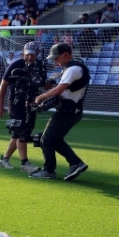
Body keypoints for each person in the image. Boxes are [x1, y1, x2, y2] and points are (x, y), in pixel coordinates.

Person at [29, 43, 90, 180]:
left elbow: (59, 90)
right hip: (72, 111)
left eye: (57, 58)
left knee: (46, 140)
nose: (55, 61)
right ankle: (76, 163)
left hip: (68, 111)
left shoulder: (73, 69)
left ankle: (49, 170)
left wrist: (41, 97)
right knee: (55, 139)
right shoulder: (72, 68)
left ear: (65, 55)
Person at [0, 42, 47, 173]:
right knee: (20, 131)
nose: (29, 57)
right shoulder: (16, 64)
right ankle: (25, 163)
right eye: (27, 54)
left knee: (20, 133)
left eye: (32, 55)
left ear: (38, 54)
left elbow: (42, 83)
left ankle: (4, 160)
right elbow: (3, 85)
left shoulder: (40, 65)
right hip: (16, 103)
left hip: (31, 103)